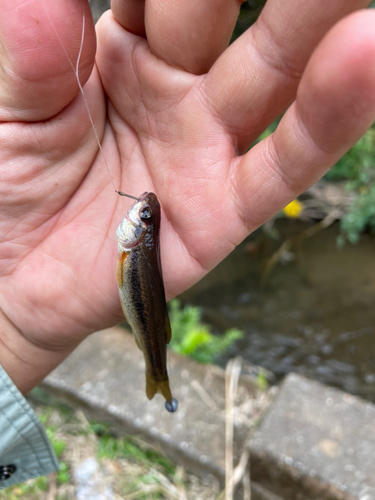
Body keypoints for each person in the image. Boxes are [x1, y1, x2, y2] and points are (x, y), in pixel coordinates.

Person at [0, 0, 375, 487]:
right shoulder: (134, 246)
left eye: (145, 215)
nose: (140, 210)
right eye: (145, 215)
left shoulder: (133, 247)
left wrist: (12, 330)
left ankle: (157, 369)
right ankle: (158, 369)